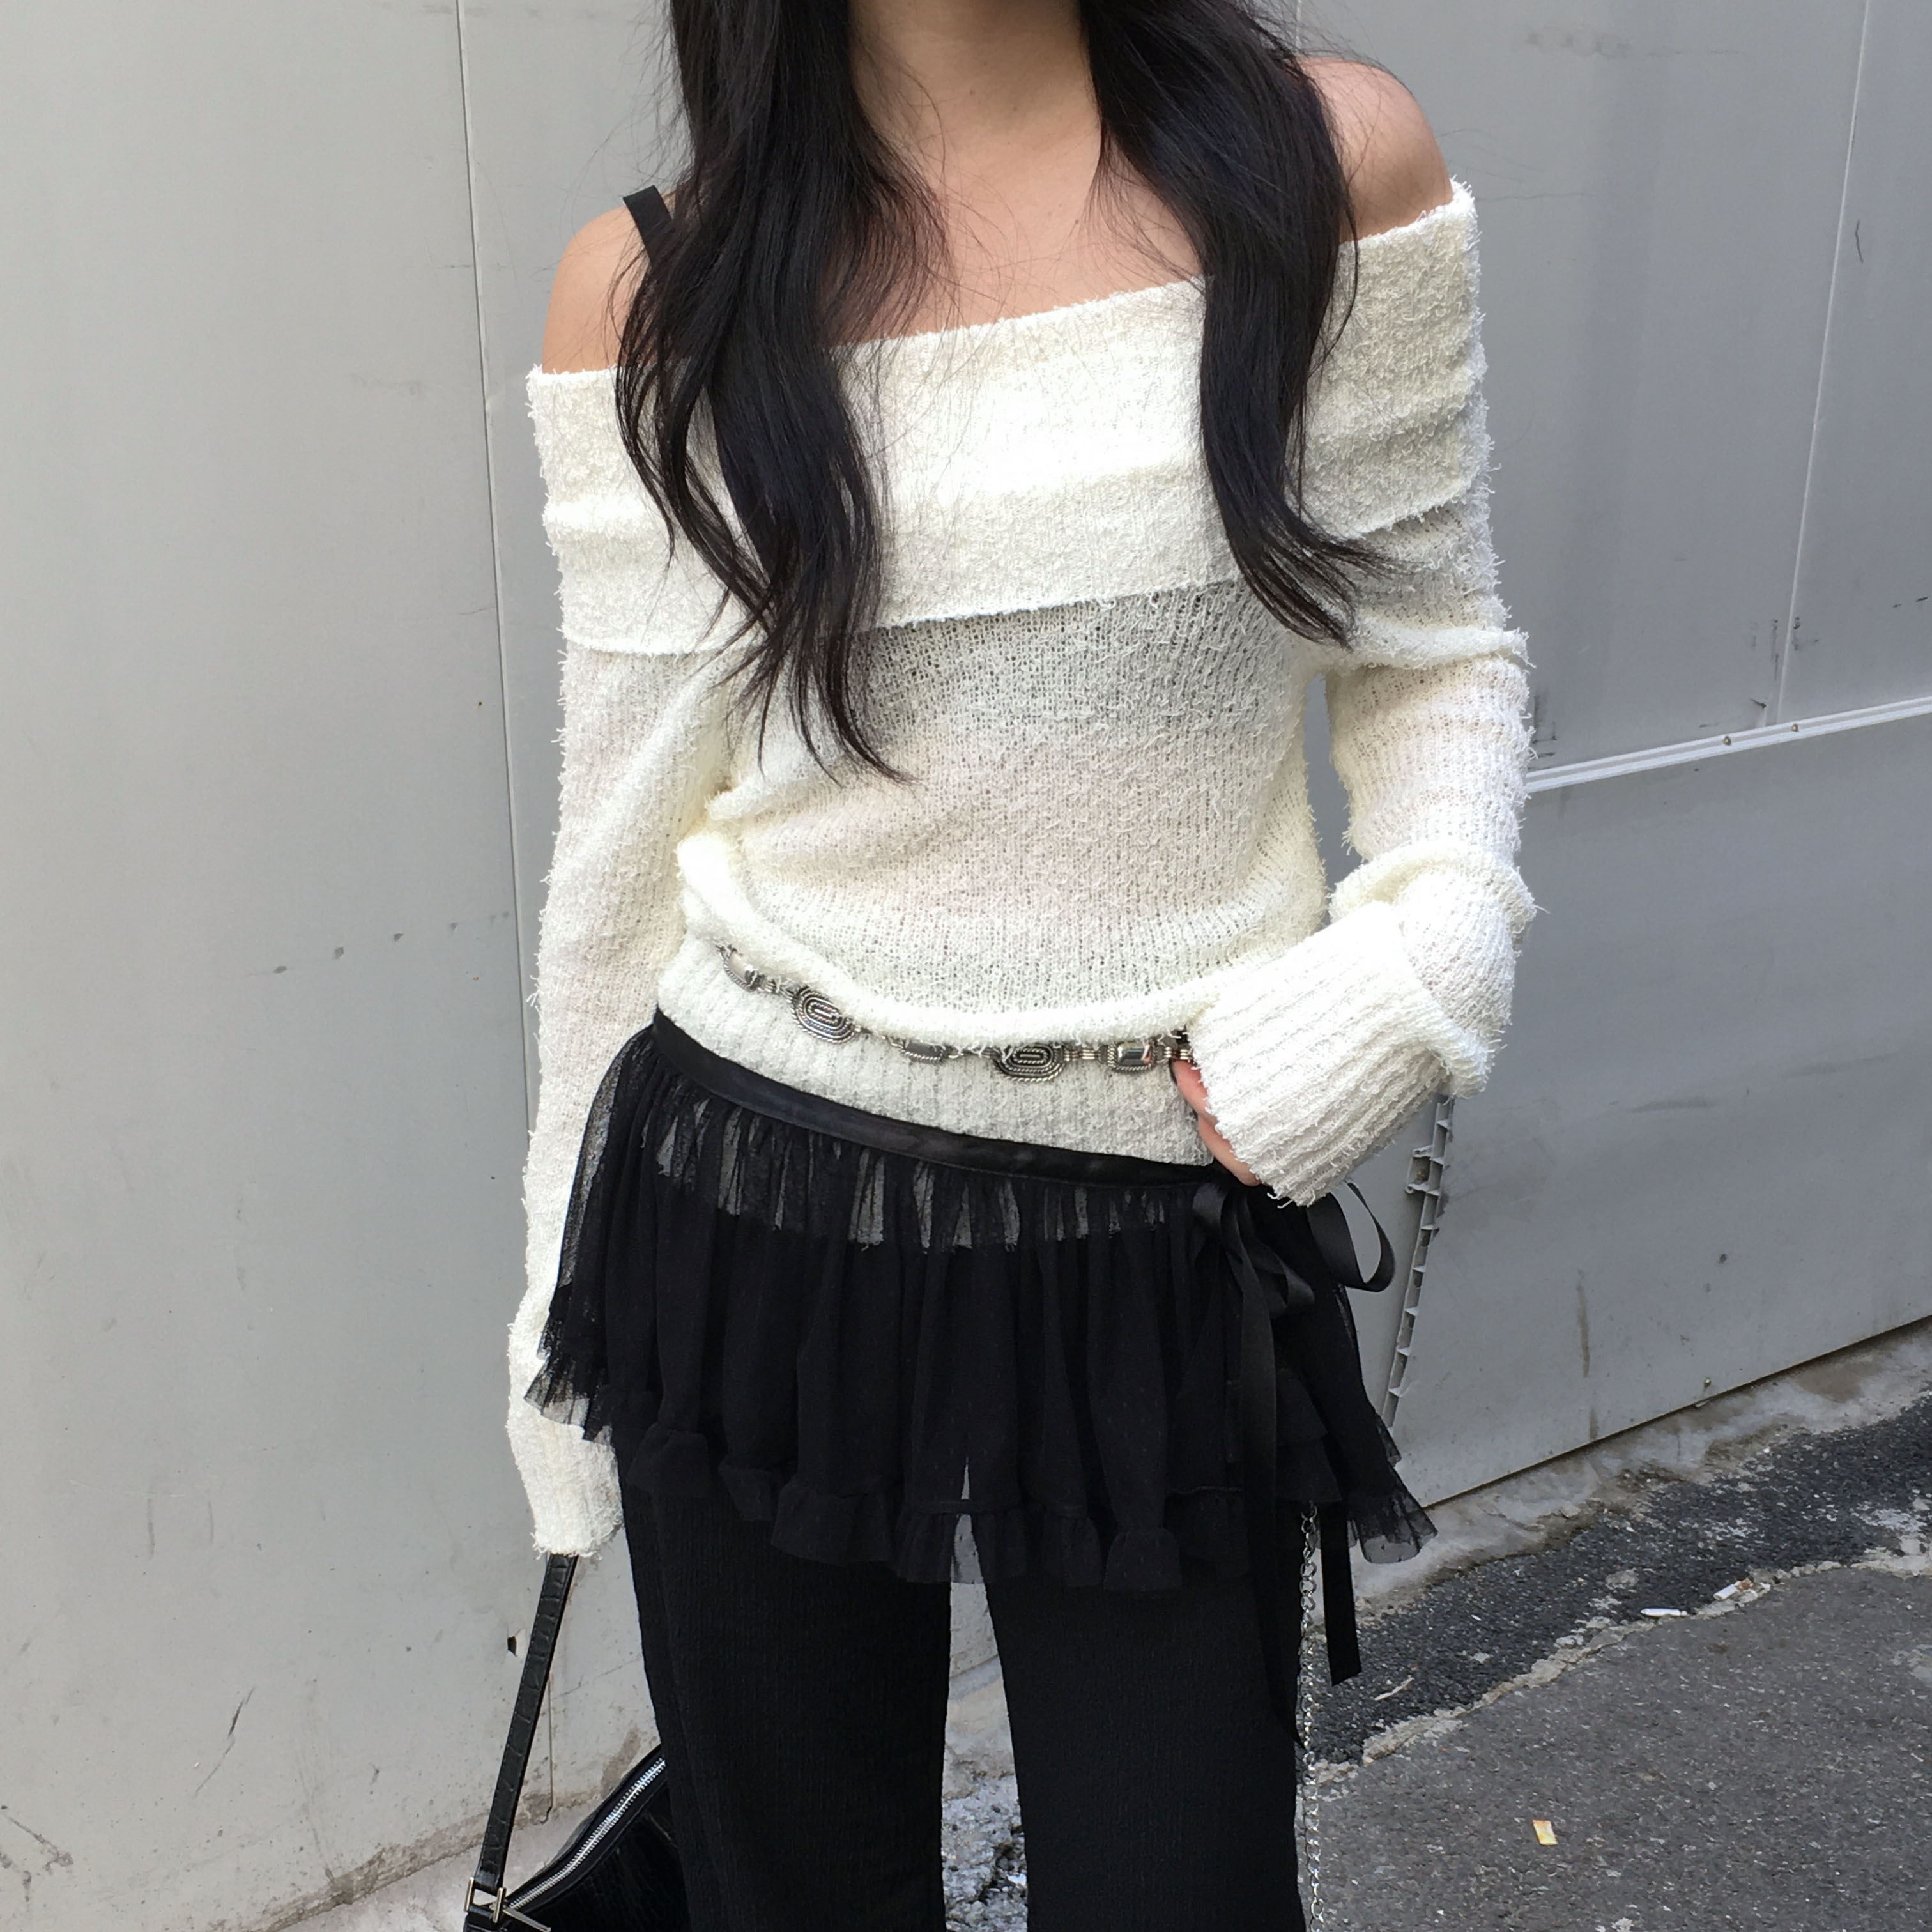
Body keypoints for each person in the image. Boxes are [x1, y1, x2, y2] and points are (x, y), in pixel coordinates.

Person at [509, 3, 1533, 1926]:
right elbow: (619, 866)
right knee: (796, 1898)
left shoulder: (1320, 172)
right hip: (751, 1215)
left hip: (1155, 1230)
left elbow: (1433, 654)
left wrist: (1422, 970)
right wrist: (545, 1334)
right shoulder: (656, 289)